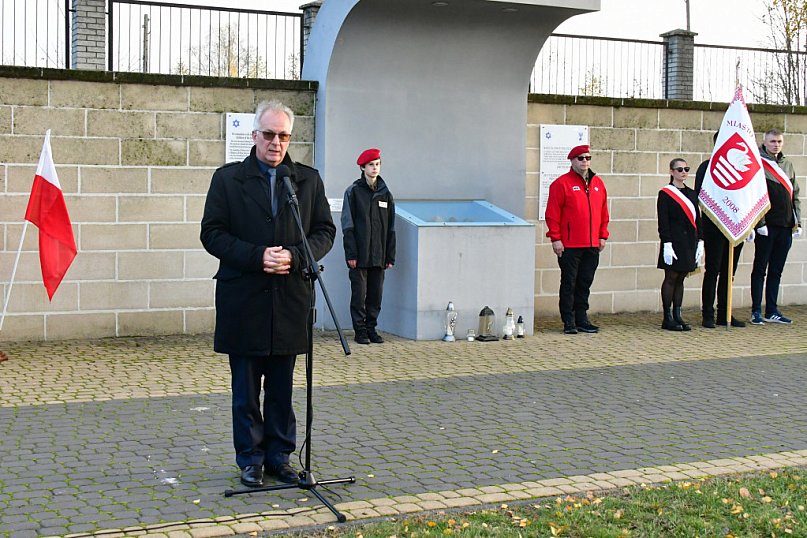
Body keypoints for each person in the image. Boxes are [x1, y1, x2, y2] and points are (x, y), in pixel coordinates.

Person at [200, 100, 336, 488]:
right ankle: (250, 459)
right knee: (246, 389)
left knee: (281, 387)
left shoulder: (307, 180)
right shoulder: (227, 179)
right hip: (243, 299)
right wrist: (257, 256)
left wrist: (293, 256)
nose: (276, 143)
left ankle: (279, 456)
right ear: (255, 135)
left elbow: (324, 231)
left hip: (289, 300)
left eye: (283, 136)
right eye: (269, 134)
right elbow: (212, 233)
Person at [545, 144, 609, 334]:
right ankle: (569, 321)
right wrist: (555, 238)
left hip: (591, 244)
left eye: (588, 158)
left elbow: (604, 212)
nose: (585, 162)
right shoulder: (561, 184)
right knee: (569, 283)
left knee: (585, 282)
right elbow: (552, 214)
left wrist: (602, 235)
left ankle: (582, 318)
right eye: (581, 158)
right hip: (570, 245)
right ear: (572, 161)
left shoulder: (598, 183)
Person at [341, 148, 396, 345]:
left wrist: (390, 255)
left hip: (379, 255)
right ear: (363, 167)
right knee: (359, 295)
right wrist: (351, 253)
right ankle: (360, 331)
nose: (375, 168)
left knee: (375, 295)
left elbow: (390, 227)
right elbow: (348, 225)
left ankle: (372, 328)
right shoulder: (353, 192)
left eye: (377, 164)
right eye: (371, 165)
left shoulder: (385, 194)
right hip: (360, 255)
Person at [750, 128, 802, 325]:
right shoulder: (758, 162)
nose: (776, 145)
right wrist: (760, 223)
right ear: (765, 142)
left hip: (786, 226)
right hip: (767, 226)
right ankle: (756, 311)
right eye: (772, 141)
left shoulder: (787, 164)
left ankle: (772, 310)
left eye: (779, 141)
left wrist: (798, 222)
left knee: (776, 271)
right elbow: (754, 195)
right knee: (760, 269)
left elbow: (795, 195)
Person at [695, 132, 746, 328]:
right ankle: (708, 313)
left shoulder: (740, 168)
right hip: (714, 225)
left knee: (729, 271)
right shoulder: (706, 167)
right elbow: (701, 194)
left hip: (735, 225)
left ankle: (725, 313)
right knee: (713, 270)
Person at [657, 159, 703, 331]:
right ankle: (667, 317)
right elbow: (664, 221)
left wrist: (701, 241)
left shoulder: (692, 193)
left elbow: (698, 220)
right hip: (673, 241)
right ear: (671, 171)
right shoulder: (666, 194)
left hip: (689, 242)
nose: (683, 172)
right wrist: (666, 243)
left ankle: (678, 315)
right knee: (671, 277)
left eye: (686, 169)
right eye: (679, 169)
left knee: (682, 277)